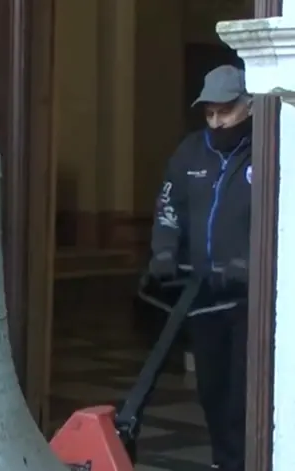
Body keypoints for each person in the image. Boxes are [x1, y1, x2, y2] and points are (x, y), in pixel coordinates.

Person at [148, 64, 252, 471]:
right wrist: (163, 252)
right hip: (203, 296)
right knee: (212, 391)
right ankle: (225, 462)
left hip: (249, 302)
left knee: (243, 395)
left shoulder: (268, 149)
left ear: (250, 107)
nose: (216, 122)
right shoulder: (190, 152)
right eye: (209, 113)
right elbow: (169, 206)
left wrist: (248, 264)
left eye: (225, 112)